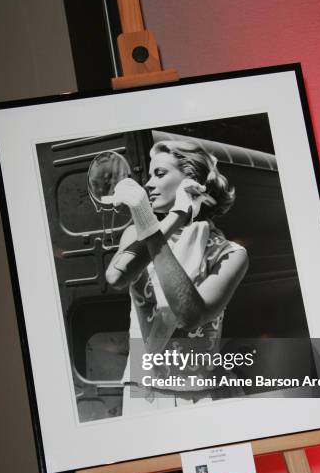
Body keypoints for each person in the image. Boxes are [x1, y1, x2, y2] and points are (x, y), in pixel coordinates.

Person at [106, 140, 249, 413]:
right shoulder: (136, 234)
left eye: (159, 174)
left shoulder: (230, 254)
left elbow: (189, 315)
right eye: (149, 175)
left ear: (191, 182)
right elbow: (116, 277)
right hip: (144, 392)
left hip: (201, 397)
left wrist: (170, 219)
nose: (147, 184)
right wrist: (176, 215)